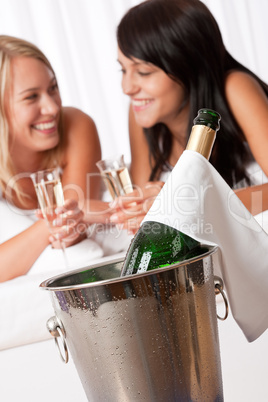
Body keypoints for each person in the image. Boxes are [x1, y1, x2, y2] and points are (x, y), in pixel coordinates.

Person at [111, 0, 268, 232]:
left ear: (187, 64)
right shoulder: (144, 113)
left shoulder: (235, 88)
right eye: (123, 70)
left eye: (143, 72)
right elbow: (146, 214)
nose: (127, 88)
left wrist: (190, 203)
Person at [0, 35, 106, 282]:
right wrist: (50, 225)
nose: (52, 108)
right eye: (31, 97)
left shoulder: (76, 125)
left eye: (53, 88)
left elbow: (72, 231)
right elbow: (66, 219)